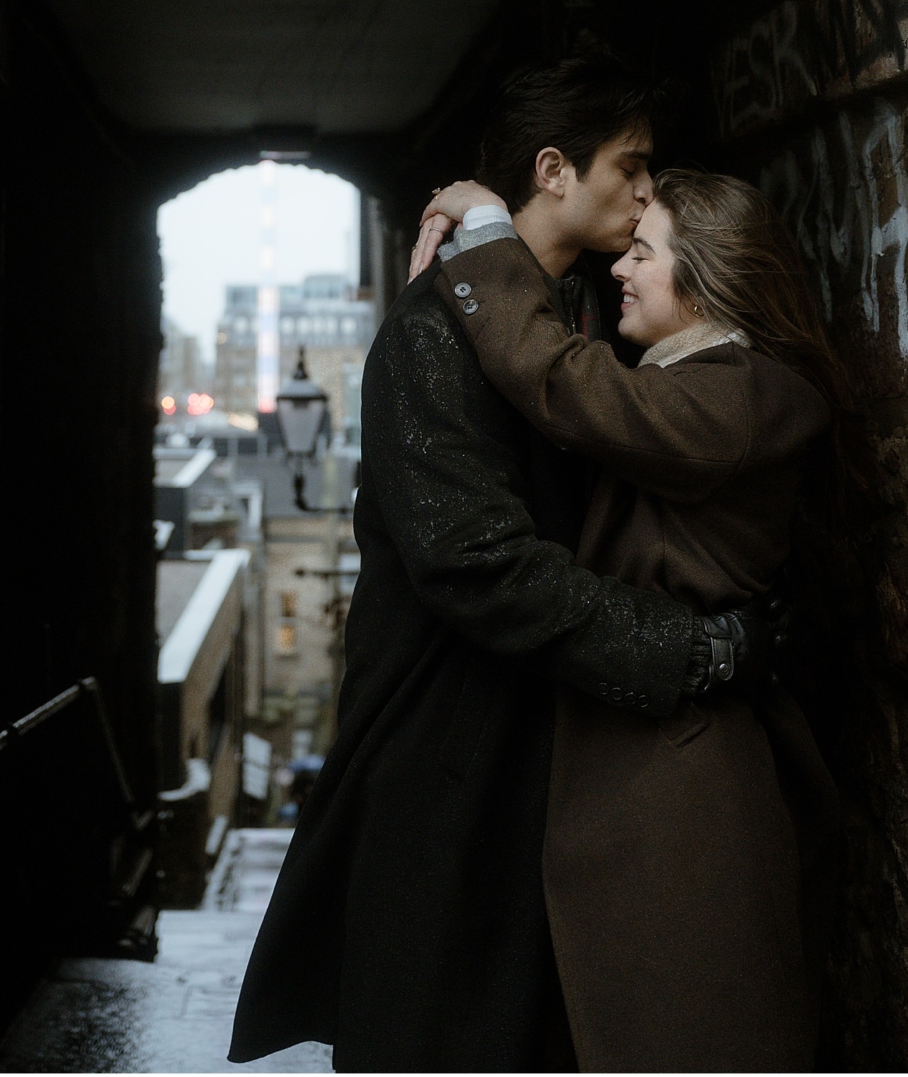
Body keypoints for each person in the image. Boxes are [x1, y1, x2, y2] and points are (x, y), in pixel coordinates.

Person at [230, 55, 784, 1075]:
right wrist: (691, 648)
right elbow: (479, 564)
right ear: (554, 170)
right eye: (633, 165)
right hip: (451, 770)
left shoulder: (579, 323)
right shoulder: (433, 337)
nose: (649, 191)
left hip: (549, 762)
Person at [416, 165, 846, 1073]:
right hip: (655, 779)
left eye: (644, 254)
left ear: (711, 281)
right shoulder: (699, 382)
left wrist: (490, 228)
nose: (620, 269)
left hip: (686, 808)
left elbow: (566, 385)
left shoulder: (735, 398)